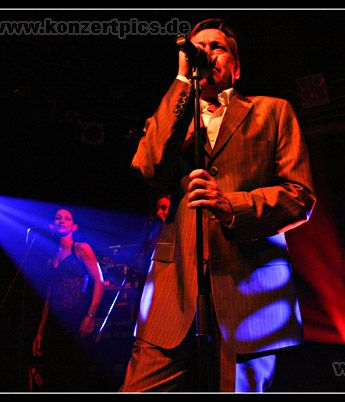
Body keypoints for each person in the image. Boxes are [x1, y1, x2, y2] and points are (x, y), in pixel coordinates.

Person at [121, 18, 315, 392]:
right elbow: (147, 166)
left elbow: (299, 195)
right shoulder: (170, 119)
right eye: (199, 47)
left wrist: (231, 205)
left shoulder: (273, 111)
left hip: (250, 291)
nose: (206, 53)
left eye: (217, 47)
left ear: (236, 67)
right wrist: (182, 81)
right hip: (174, 289)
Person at [31, 208, 105, 391]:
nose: (62, 221)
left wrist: (90, 315)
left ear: (74, 226)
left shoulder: (81, 248)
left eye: (67, 218)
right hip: (55, 322)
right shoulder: (51, 256)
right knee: (55, 375)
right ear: (52, 225)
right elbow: (48, 296)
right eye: (58, 218)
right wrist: (40, 331)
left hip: (77, 317)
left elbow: (99, 281)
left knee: (75, 374)